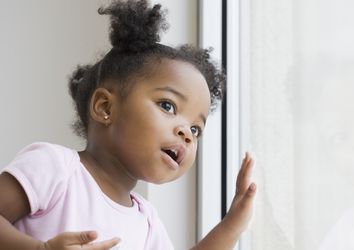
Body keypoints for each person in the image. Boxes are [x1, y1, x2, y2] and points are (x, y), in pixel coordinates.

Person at [0, 0, 256, 249]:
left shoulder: (147, 222)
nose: (187, 134)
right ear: (105, 107)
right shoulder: (56, 168)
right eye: (168, 106)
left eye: (196, 129)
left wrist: (232, 225)